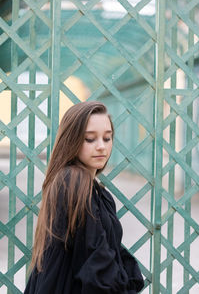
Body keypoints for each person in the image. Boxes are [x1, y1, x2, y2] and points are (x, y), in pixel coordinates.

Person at [24, 101, 144, 294]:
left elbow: (106, 248)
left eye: (107, 138)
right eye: (90, 139)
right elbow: (95, 256)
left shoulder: (95, 190)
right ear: (72, 140)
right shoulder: (72, 180)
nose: (101, 147)